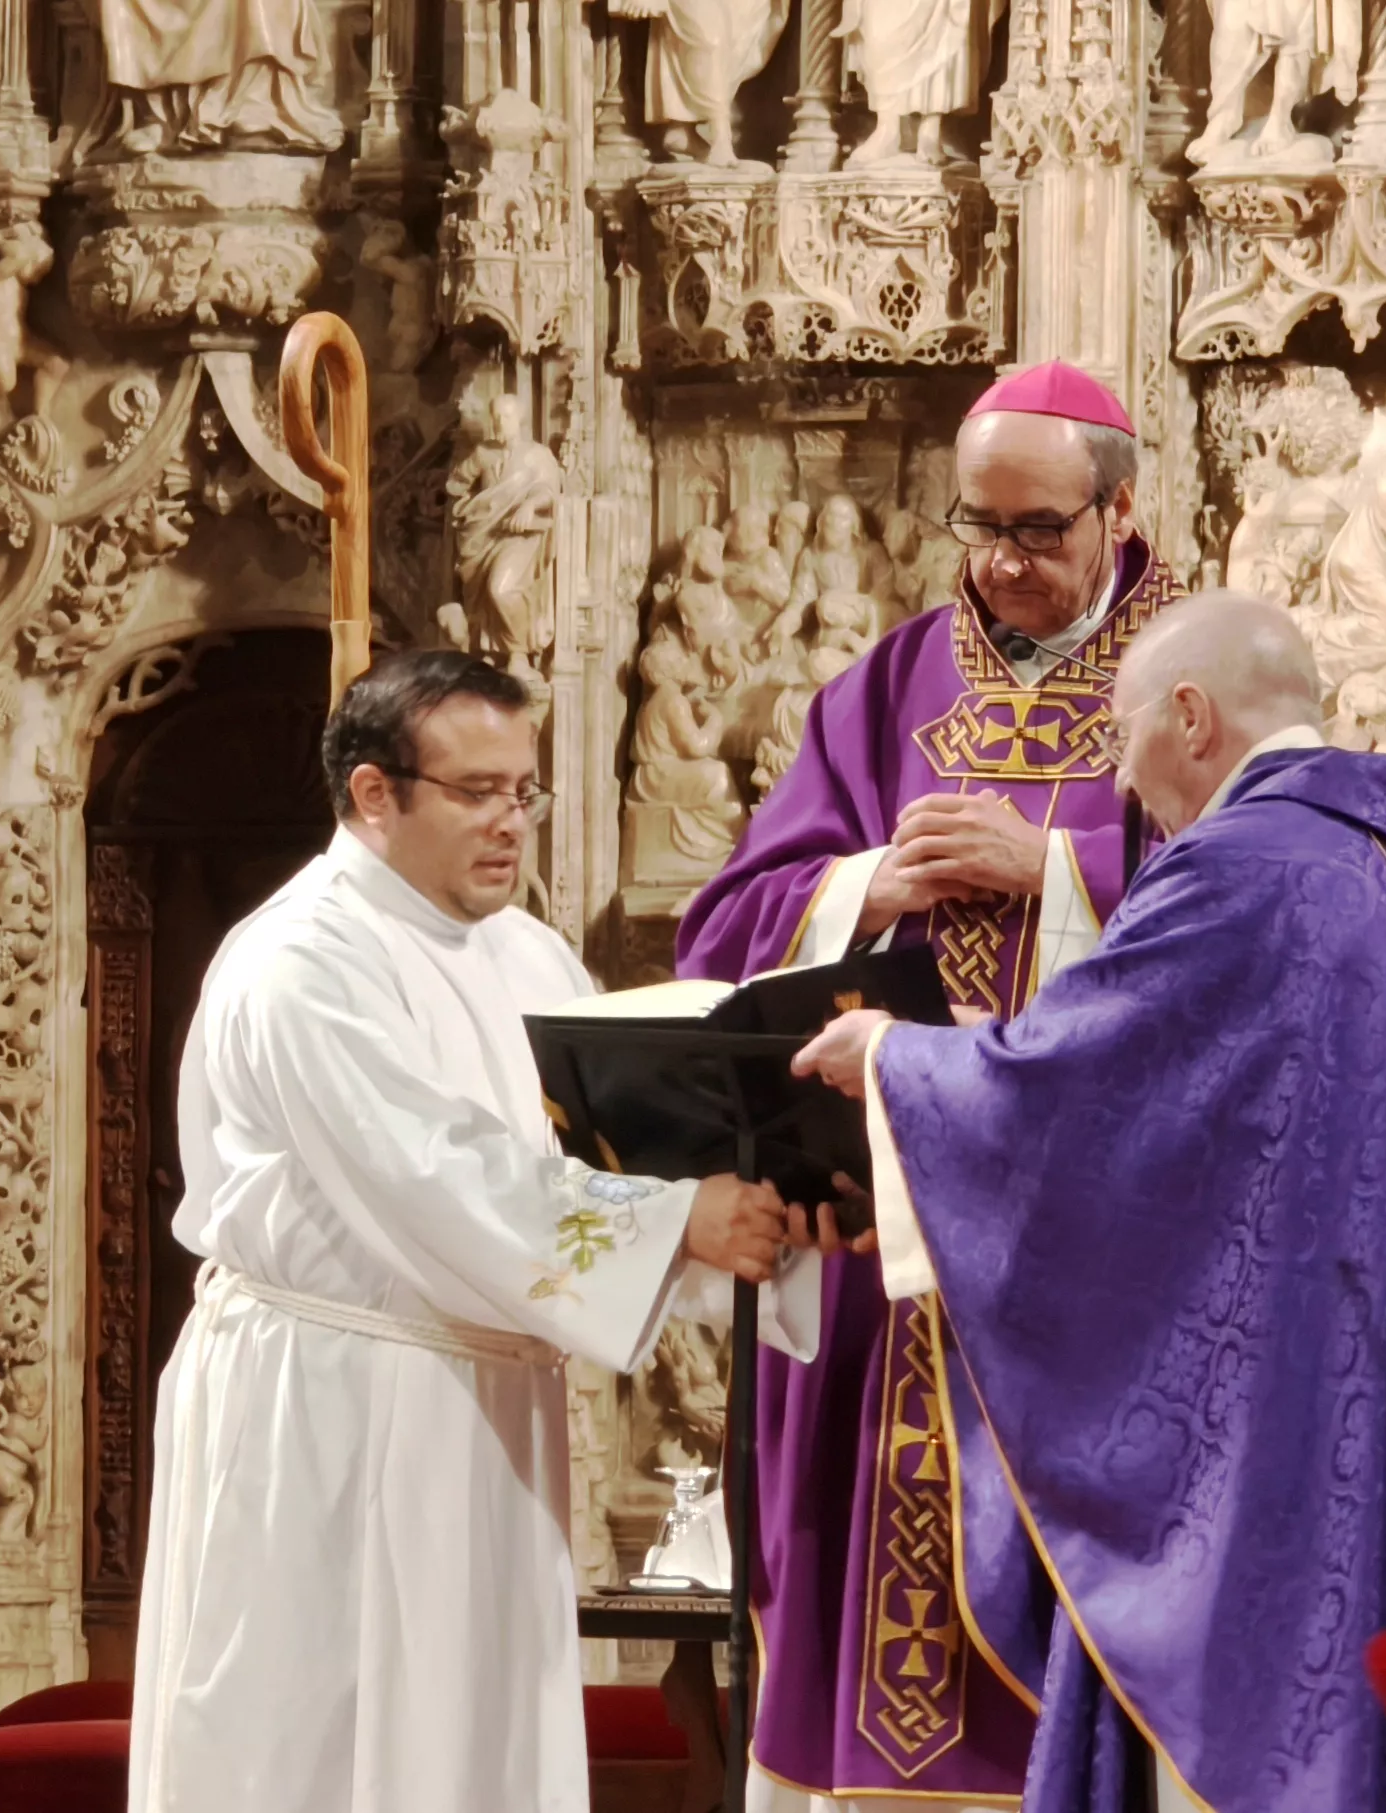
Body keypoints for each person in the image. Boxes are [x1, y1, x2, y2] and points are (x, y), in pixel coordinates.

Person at [792, 591, 1386, 1813]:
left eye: (1120, 739)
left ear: (1189, 716)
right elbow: (1189, 1100)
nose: (1120, 784)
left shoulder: (1239, 869)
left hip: (1291, 1464)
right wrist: (1007, 1044)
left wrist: (900, 1063)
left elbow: (1089, 1124)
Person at [128, 650, 852, 1813]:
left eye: (524, 790)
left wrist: (772, 1209)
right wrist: (679, 1224)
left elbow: (599, 1149)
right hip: (330, 1407)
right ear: (374, 794)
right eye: (477, 792)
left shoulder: (523, 952)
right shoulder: (299, 961)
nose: (512, 822)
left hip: (484, 1411)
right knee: (320, 1734)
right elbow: (428, 1173)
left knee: (478, 1741)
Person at [675, 361, 1184, 1811]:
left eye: (1037, 529)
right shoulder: (887, 685)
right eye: (977, 526)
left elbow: (1274, 918)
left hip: (1093, 1232)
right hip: (884, 1222)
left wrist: (1066, 875)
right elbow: (723, 925)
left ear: (1117, 507)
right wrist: (857, 888)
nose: (1002, 562)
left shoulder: (1191, 674)